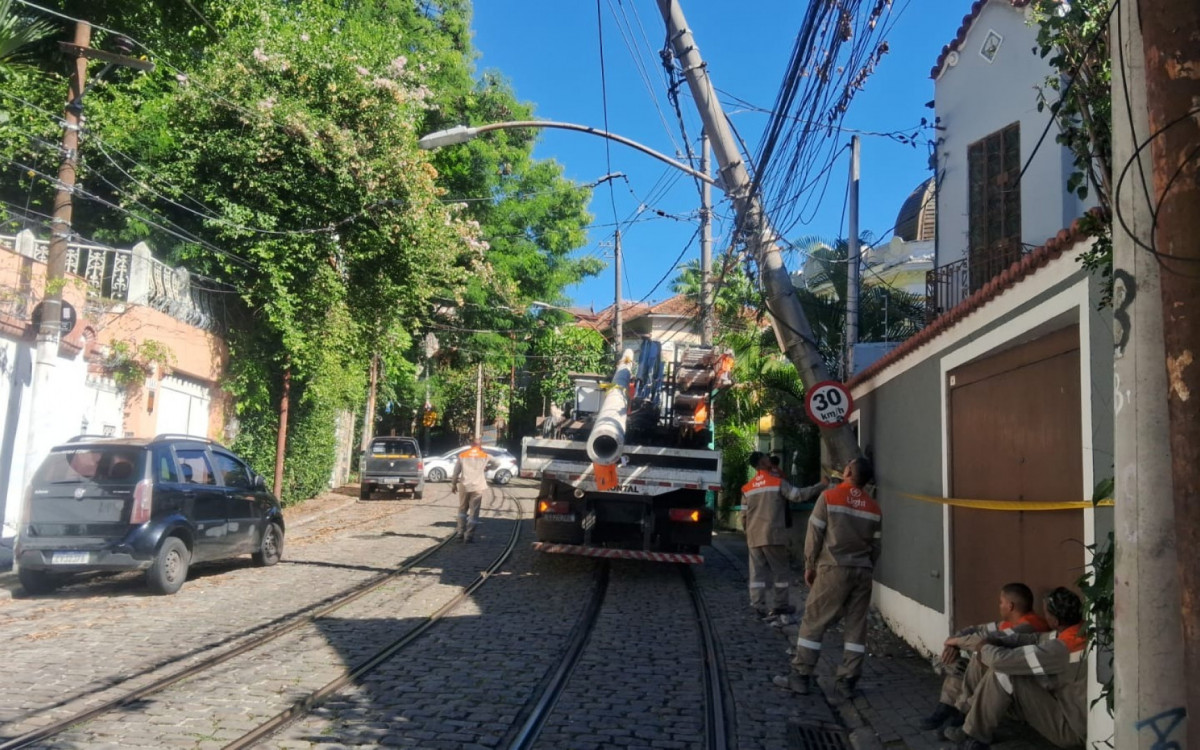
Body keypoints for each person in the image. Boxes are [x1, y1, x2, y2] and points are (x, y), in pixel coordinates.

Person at [773, 456, 880, 698]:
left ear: (849, 470)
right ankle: (847, 682)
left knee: (814, 620)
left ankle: (801, 675)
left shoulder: (830, 497)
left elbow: (814, 534)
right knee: (856, 627)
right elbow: (877, 546)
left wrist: (809, 565)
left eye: (847, 465)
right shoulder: (873, 507)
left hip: (833, 568)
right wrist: (866, 566)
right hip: (862, 571)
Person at [945, 587, 1087, 749]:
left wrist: (983, 646)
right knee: (987, 659)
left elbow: (1001, 660)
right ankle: (966, 719)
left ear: (1055, 621)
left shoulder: (1060, 648)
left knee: (1003, 672)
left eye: (1047, 612)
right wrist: (991, 642)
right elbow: (1036, 638)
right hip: (1066, 708)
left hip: (1071, 729)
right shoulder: (1079, 631)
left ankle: (973, 736)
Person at [921, 582, 1050, 732]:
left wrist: (955, 642)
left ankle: (964, 715)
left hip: (1010, 682)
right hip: (991, 671)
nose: (999, 606)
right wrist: (953, 644)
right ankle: (947, 707)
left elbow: (988, 639)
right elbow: (976, 629)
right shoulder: (1006, 623)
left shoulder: (1029, 626)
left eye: (1001, 602)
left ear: (1010, 606)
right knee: (958, 664)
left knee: (976, 659)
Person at [741, 451, 826, 624]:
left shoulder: (747, 488)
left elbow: (744, 516)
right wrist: (821, 485)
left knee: (756, 574)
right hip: (773, 535)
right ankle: (780, 605)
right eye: (766, 457)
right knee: (780, 572)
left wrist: (748, 532)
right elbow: (798, 495)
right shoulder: (777, 482)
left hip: (754, 535)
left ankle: (758, 605)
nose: (769, 458)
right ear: (762, 463)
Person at [450, 439, 491, 543]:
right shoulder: (485, 455)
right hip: (478, 486)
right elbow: (497, 462)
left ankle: (460, 532)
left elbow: (456, 471)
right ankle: (469, 535)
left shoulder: (462, 455)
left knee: (462, 509)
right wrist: (487, 468)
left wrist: (454, 484)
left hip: (464, 486)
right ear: (480, 446)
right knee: (474, 511)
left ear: (471, 445)